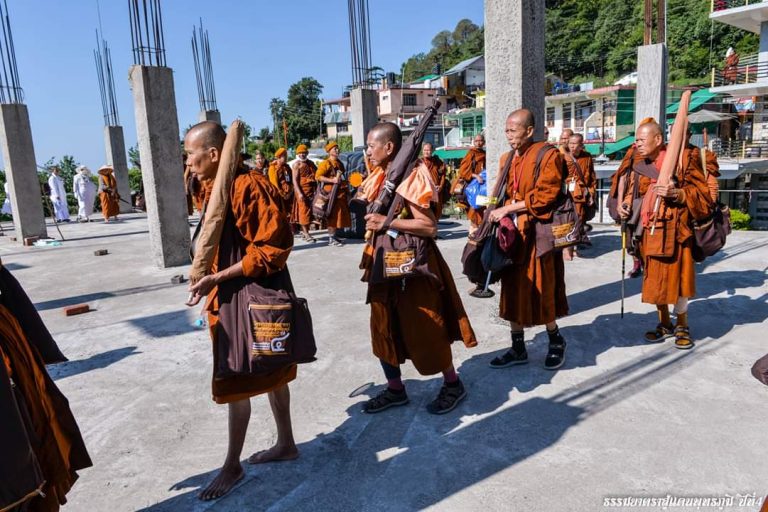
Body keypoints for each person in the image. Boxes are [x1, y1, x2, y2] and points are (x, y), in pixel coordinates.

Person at [184, 121, 299, 501]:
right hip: (229, 293)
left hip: (249, 296)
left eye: (191, 154)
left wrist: (217, 277)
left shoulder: (249, 186)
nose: (188, 162)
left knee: (238, 377)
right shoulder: (216, 187)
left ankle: (233, 465)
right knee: (269, 369)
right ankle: (286, 442)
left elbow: (274, 248)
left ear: (214, 153)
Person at [361, 122, 477, 414]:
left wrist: (387, 222)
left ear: (389, 147)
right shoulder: (381, 175)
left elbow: (429, 226)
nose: (368, 152)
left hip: (413, 266)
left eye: (371, 146)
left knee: (426, 327)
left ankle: (453, 384)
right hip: (383, 264)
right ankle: (395, 389)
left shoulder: (412, 175)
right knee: (383, 327)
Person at [615, 119, 712, 349]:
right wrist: (625, 205)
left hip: (677, 233)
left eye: (642, 139)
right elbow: (632, 192)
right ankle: (665, 322)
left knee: (680, 282)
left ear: (658, 139)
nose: (637, 144)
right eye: (636, 140)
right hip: (649, 232)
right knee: (655, 281)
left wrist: (677, 193)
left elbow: (703, 195)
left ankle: (682, 325)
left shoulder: (682, 160)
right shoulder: (640, 164)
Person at [487, 109, 570, 371]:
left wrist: (509, 208)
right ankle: (518, 347)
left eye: (513, 130)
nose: (508, 135)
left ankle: (555, 339)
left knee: (542, 288)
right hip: (512, 235)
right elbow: (499, 194)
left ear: (530, 131)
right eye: (506, 130)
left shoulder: (548, 155)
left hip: (538, 234)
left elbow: (546, 196)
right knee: (511, 290)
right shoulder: (507, 158)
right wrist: (487, 215)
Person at [563, 133, 597, 259]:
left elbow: (592, 177)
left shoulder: (587, 157)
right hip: (566, 194)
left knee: (579, 220)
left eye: (575, 144)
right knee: (567, 220)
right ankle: (567, 249)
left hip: (581, 195)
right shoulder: (563, 157)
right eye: (570, 143)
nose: (572, 146)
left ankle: (574, 247)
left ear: (581, 145)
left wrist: (591, 193)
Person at [315, 141, 351, 246]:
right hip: (330, 195)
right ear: (329, 151)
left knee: (338, 216)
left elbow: (342, 177)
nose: (337, 150)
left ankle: (334, 236)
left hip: (340, 194)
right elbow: (318, 176)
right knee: (332, 216)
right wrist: (332, 180)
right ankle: (331, 238)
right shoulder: (325, 163)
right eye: (335, 149)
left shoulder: (339, 163)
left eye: (337, 148)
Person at [456, 134, 486, 235]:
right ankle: (473, 233)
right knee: (474, 209)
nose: (478, 143)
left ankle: (479, 233)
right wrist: (476, 176)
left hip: (482, 187)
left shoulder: (484, 154)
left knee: (482, 208)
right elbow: (463, 171)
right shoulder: (471, 153)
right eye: (476, 141)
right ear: (473, 142)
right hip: (472, 187)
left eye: (480, 141)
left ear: (484, 142)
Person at [291, 144, 318, 242]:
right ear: (298, 154)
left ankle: (305, 232)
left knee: (310, 212)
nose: (302, 155)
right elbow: (294, 181)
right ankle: (306, 234)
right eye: (300, 153)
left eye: (304, 153)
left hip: (311, 191)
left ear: (307, 153)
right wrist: (299, 193)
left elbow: (317, 175)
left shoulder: (311, 163)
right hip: (302, 192)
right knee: (303, 213)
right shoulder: (297, 165)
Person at [421, 142, 449, 215]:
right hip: (424, 190)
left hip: (436, 190)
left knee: (436, 211)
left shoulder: (437, 162)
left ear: (432, 151)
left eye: (428, 150)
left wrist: (441, 186)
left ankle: (435, 221)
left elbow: (443, 175)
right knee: (425, 211)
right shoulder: (420, 162)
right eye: (424, 150)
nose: (426, 152)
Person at [268, 148, 294, 217]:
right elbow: (274, 183)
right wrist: (282, 194)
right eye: (284, 156)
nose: (286, 158)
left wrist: (290, 191)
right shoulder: (273, 168)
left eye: (286, 156)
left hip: (289, 195)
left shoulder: (287, 167)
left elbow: (291, 180)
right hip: (279, 196)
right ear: (279, 157)